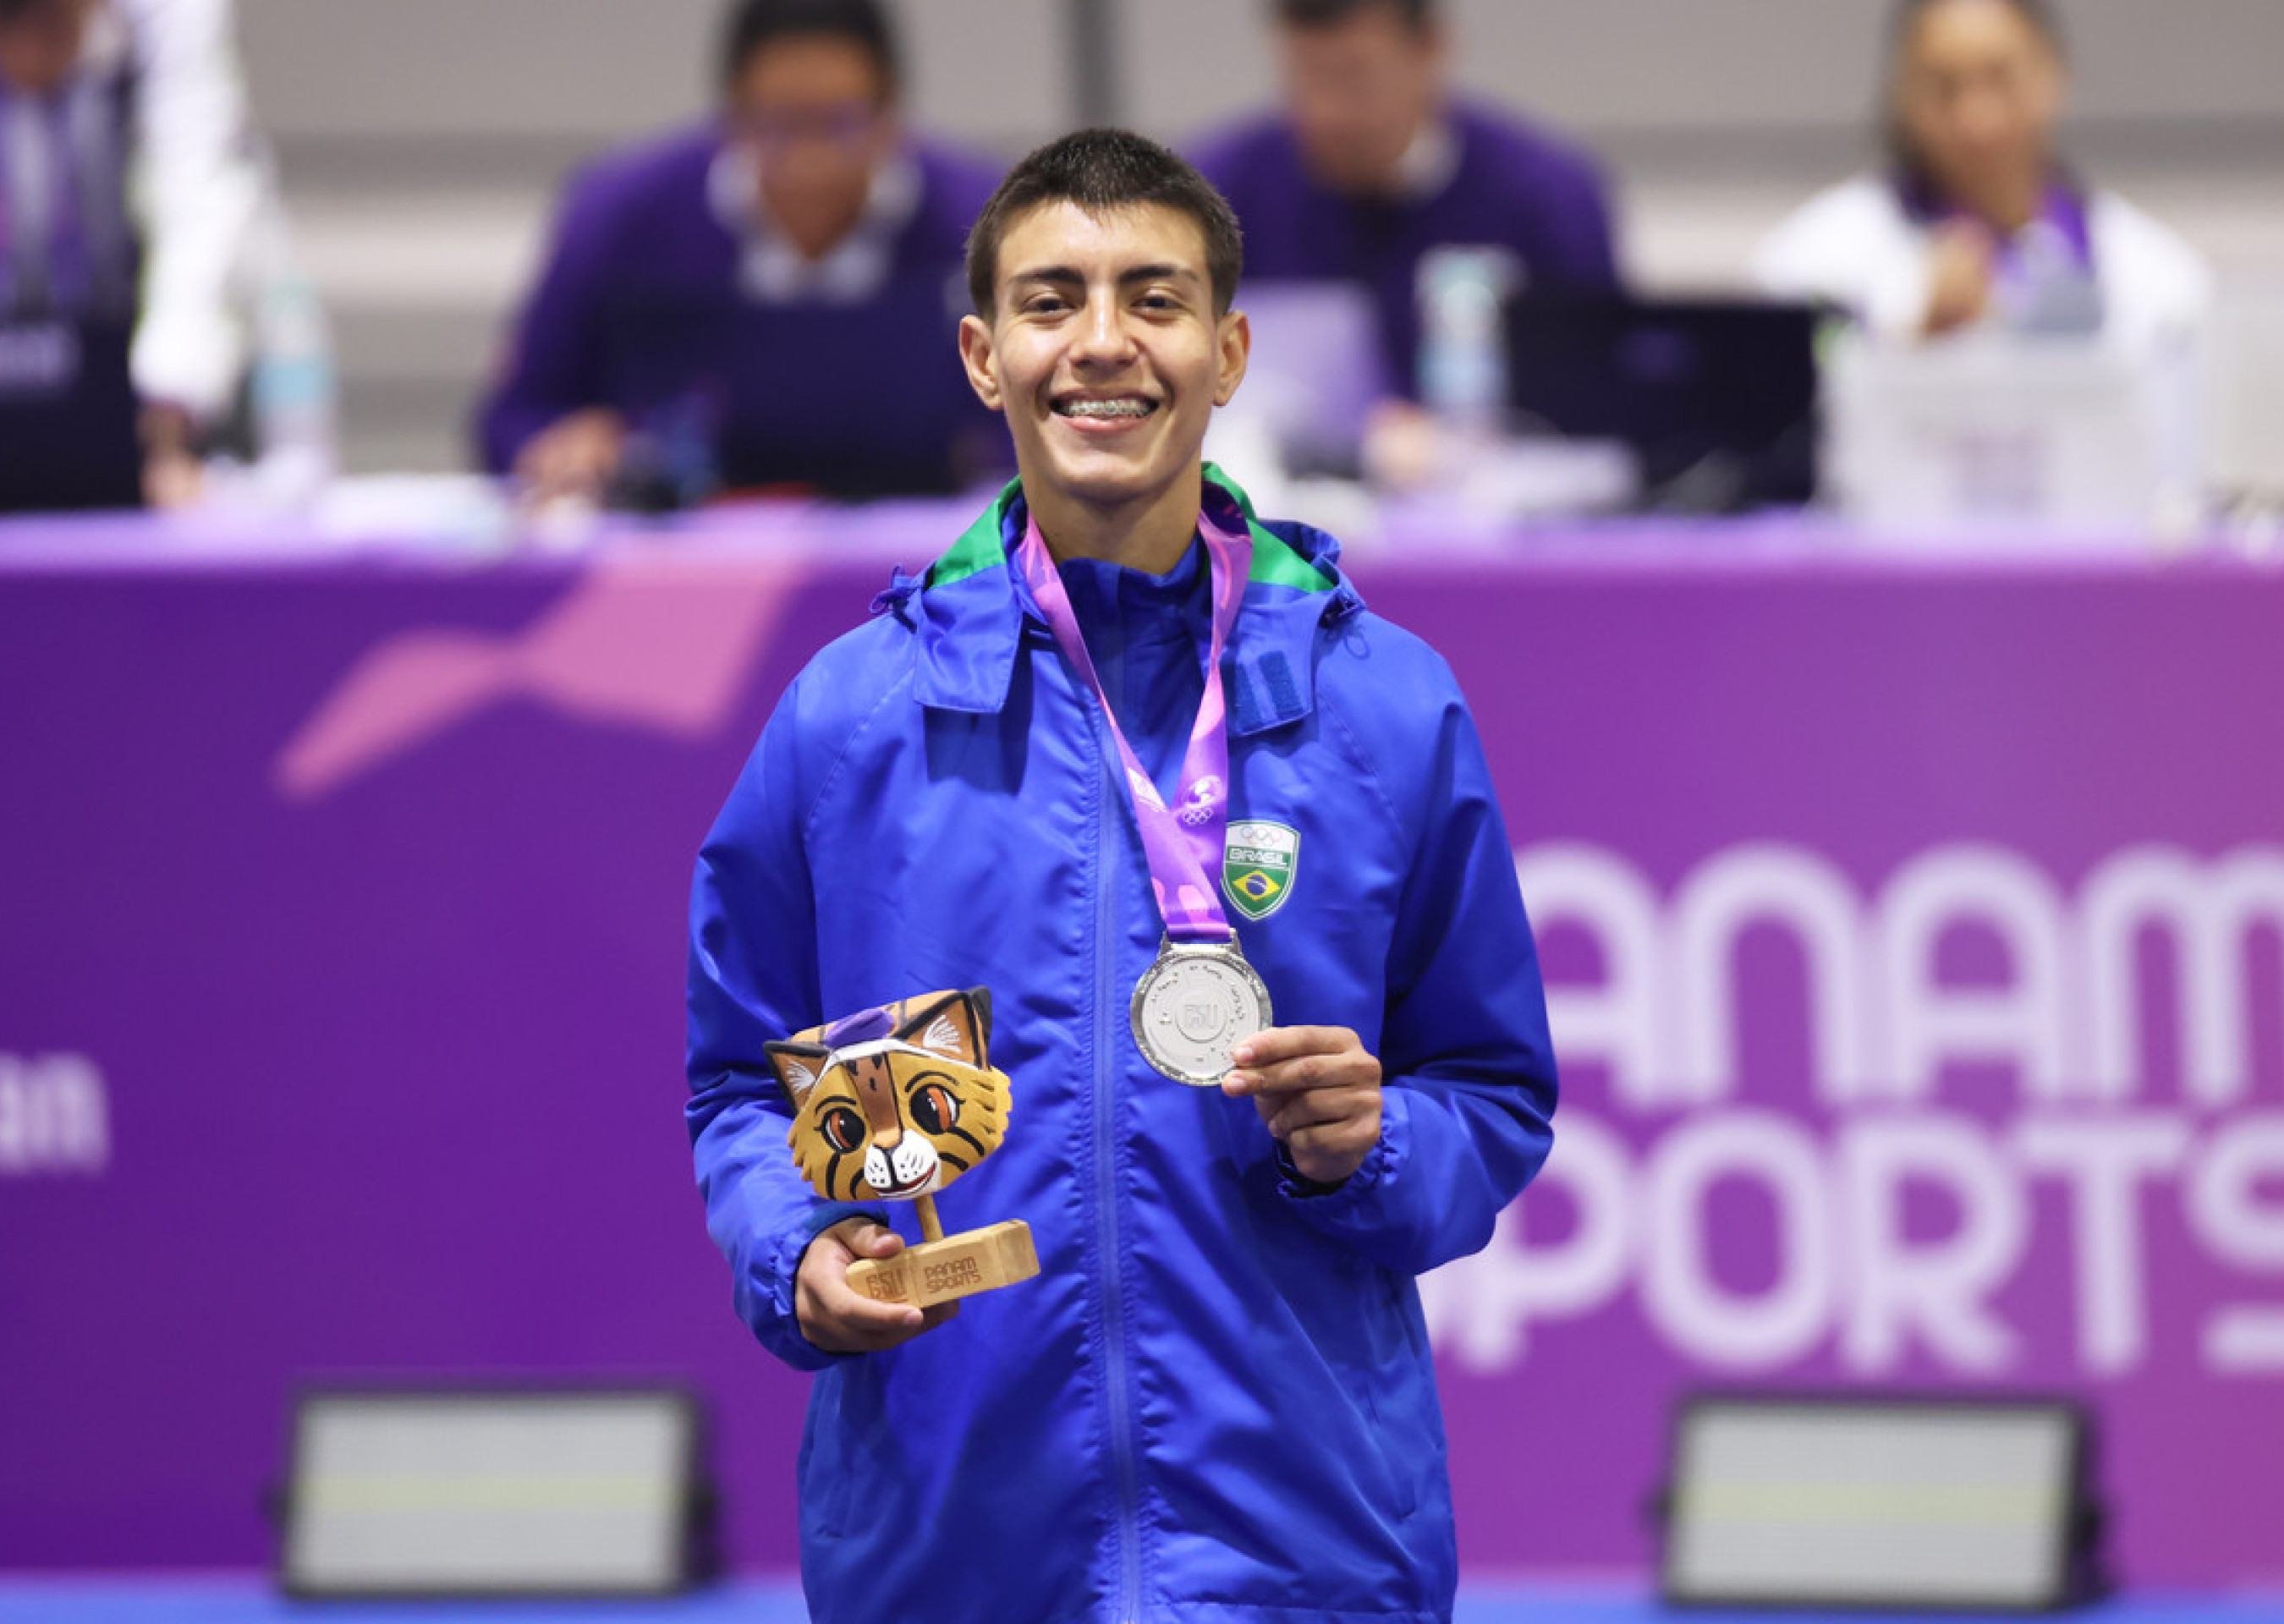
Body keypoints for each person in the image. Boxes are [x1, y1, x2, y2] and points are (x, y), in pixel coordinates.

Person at [685, 129, 1556, 1622]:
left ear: (1227, 352)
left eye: (1152, 301)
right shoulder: (850, 717)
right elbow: (736, 1090)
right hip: (952, 1555)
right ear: (981, 353)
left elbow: (1491, 1090)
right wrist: (803, 1245)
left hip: (1299, 1551)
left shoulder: (1387, 707)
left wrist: (1377, 1142)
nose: (1102, 345)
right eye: (1051, 301)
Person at [477, 0, 1002, 505]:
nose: (809, 161)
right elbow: (514, 416)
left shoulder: (984, 222)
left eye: (840, 123)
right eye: (781, 125)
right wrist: (559, 447)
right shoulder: (620, 213)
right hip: (676, 572)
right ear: (732, 113)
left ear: (891, 113)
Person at [1189, 0, 1618, 409]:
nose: (1327, 112)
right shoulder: (1215, 193)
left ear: (1430, 49)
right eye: (1306, 76)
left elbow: (1600, 390)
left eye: (1354, 78)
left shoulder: (1547, 198)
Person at [0, 0, 294, 507]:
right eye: (7, 24)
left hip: (147, 396)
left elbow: (197, 201)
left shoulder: (170, 21)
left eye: (50, 26)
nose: (30, 56)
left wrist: (172, 412)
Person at [1753, 0, 2210, 348]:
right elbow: (1781, 439)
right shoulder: (1815, 260)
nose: (1976, 119)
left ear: (2055, 75)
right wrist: (1916, 348)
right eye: (1944, 87)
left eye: (2000, 78)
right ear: (1900, 95)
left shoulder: (2155, 272)